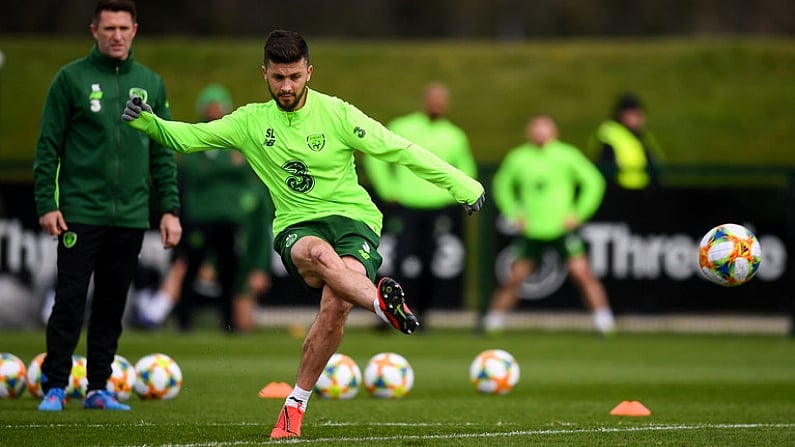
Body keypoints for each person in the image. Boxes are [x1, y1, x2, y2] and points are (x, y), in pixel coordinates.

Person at [121, 30, 484, 439]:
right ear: (265, 74)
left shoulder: (338, 114)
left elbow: (399, 149)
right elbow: (188, 138)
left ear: (309, 72)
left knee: (336, 306)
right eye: (278, 77)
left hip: (353, 221)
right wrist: (148, 121)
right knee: (322, 258)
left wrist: (462, 184)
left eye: (294, 76)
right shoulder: (251, 122)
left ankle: (295, 404)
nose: (287, 86)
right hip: (298, 225)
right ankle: (382, 305)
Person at [32, 0, 180, 412]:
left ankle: (99, 387)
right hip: (80, 211)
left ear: (135, 30)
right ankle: (55, 386)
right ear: (94, 30)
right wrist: (47, 201)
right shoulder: (70, 80)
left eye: (123, 28)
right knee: (70, 300)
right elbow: (48, 146)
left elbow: (163, 151)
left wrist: (169, 208)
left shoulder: (150, 82)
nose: (116, 35)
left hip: (131, 214)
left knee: (113, 304)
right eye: (109, 28)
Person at [135, 84, 273, 332]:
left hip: (229, 224)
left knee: (229, 275)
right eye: (210, 108)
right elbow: (194, 170)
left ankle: (227, 324)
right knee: (189, 269)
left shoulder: (238, 145)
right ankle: (183, 322)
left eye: (218, 108)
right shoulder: (196, 146)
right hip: (199, 221)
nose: (214, 113)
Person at [482, 115, 616, 335]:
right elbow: (501, 185)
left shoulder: (566, 155)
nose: (540, 133)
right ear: (529, 132)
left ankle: (604, 320)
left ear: (554, 132)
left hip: (561, 229)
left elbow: (594, 182)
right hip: (533, 230)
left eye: (544, 129)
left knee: (582, 273)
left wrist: (579, 213)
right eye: (536, 128)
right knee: (514, 277)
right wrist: (514, 213)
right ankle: (493, 321)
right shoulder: (519, 157)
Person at [363, 82, 477, 327]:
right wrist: (387, 188)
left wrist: (452, 195)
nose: (437, 104)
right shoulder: (404, 126)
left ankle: (421, 314)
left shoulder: (454, 135)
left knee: (429, 262)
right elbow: (376, 156)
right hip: (405, 205)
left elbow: (466, 169)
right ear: (425, 100)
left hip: (437, 208)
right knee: (397, 259)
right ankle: (387, 313)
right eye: (433, 99)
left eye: (441, 100)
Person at [588, 92, 665, 191]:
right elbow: (604, 165)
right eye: (635, 114)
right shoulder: (610, 133)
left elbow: (654, 164)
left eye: (640, 114)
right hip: (620, 192)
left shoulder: (643, 136)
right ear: (622, 115)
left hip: (643, 191)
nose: (639, 119)